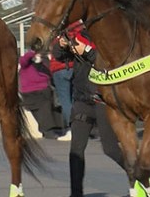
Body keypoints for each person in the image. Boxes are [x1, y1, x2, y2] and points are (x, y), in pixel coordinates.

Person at [53, 29, 127, 197]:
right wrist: (62, 44)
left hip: (103, 101)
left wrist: (86, 51)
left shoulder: (110, 35)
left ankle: (141, 178)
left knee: (111, 149)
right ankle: (76, 193)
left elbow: (108, 63)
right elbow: (58, 56)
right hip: (82, 100)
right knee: (76, 150)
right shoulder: (82, 35)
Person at [18, 50, 63, 139]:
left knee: (54, 105)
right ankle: (48, 130)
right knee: (43, 107)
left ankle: (57, 128)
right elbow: (23, 60)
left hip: (45, 90)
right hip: (30, 92)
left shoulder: (45, 63)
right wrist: (32, 52)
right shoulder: (26, 64)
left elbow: (50, 74)